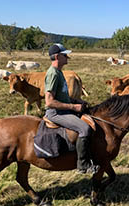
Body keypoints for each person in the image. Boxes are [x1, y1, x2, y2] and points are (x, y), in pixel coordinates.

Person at [44, 43, 99, 174]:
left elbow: (62, 97)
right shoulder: (53, 74)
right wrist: (73, 107)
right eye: (65, 55)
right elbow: (49, 101)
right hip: (56, 113)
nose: (68, 57)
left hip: (64, 109)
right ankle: (83, 165)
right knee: (84, 128)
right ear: (57, 56)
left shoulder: (59, 72)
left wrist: (76, 101)